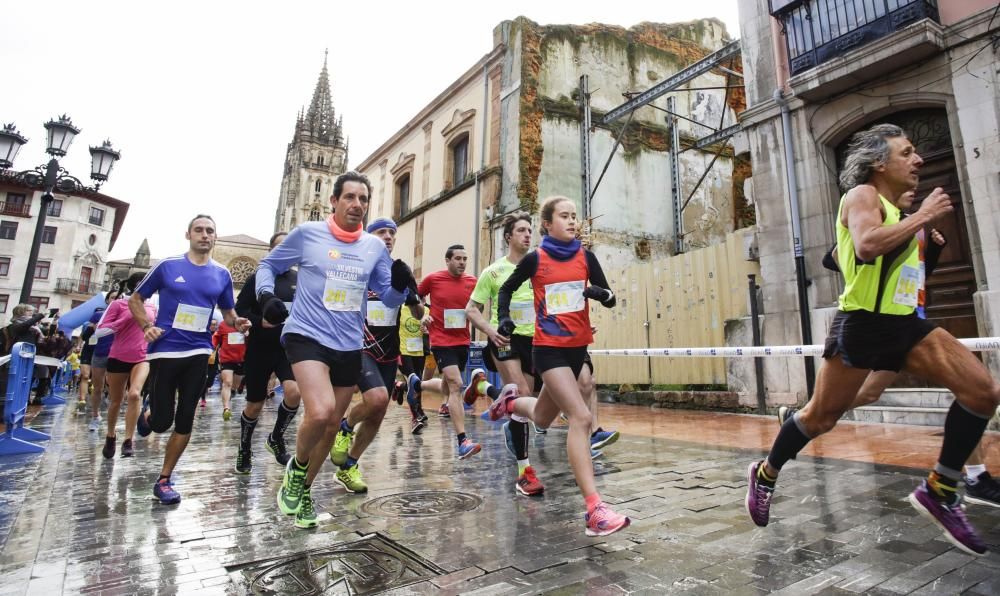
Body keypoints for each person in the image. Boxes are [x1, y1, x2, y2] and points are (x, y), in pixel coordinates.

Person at [745, 124, 1000, 556]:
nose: (918, 161)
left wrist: (927, 245)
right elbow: (864, 247)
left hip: (905, 326)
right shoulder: (861, 195)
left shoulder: (902, 216)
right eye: (907, 153)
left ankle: (941, 488)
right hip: (862, 324)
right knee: (821, 418)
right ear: (880, 163)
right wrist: (923, 218)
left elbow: (908, 282)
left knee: (982, 392)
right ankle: (766, 472)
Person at [779, 217, 1000, 508]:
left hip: (912, 328)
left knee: (968, 392)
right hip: (881, 328)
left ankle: (975, 477)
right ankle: (806, 417)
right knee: (870, 394)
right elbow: (832, 258)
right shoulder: (878, 221)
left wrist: (933, 248)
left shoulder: (917, 230)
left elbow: (920, 277)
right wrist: (875, 253)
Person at [257, 171, 415, 528]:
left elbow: (387, 295)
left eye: (363, 199)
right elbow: (269, 265)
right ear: (334, 201)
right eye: (350, 197)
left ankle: (305, 490)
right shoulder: (308, 234)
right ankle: (296, 471)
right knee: (322, 411)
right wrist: (266, 295)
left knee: (331, 428)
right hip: (307, 335)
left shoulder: (374, 248)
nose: (357, 204)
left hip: (348, 343)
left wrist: (402, 287)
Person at [492, 195, 630, 536]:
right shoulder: (537, 258)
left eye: (574, 216)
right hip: (548, 351)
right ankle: (594, 509)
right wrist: (505, 319)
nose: (572, 221)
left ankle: (509, 403)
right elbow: (508, 289)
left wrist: (600, 295)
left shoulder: (586, 256)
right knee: (581, 417)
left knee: (541, 416)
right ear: (547, 225)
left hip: (577, 348)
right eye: (564, 216)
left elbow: (610, 297)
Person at [131, 214, 250, 505]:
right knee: (161, 422)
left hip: (199, 351)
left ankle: (164, 479)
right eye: (199, 230)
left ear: (215, 237)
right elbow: (136, 299)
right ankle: (148, 418)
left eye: (210, 231)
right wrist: (147, 327)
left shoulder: (221, 274)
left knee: (185, 418)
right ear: (188, 235)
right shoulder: (168, 266)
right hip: (166, 350)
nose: (204, 235)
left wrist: (239, 323)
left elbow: (228, 313)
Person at [328, 217, 422, 493]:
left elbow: (419, 314)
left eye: (392, 233)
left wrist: (414, 300)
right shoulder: (356, 267)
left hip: (390, 351)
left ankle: (349, 466)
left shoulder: (400, 270)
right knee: (378, 397)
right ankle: (345, 427)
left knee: (378, 412)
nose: (388, 237)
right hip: (360, 346)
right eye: (381, 232)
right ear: (369, 237)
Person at [465, 211, 544, 495]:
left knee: (524, 405)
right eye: (521, 230)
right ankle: (525, 472)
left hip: (533, 340)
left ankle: (486, 390)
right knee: (522, 394)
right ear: (508, 236)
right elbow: (471, 309)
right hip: (505, 339)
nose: (527, 234)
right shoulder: (493, 271)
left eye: (529, 230)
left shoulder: (538, 266)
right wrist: (490, 330)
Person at [233, 231, 301, 473]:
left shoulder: (299, 278)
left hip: (288, 348)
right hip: (260, 348)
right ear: (271, 251)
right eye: (279, 247)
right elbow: (239, 310)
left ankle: (276, 437)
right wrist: (259, 322)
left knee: (294, 393)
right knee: (255, 404)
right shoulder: (258, 278)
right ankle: (244, 448)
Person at [415, 245, 479, 458]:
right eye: (458, 258)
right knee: (456, 385)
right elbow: (417, 297)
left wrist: (476, 313)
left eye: (465, 259)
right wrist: (423, 315)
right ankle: (462, 440)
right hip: (441, 339)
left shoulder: (472, 282)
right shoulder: (433, 279)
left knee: (447, 385)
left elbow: (478, 307)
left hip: (463, 340)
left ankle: (416, 384)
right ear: (448, 260)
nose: (462, 262)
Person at [97, 273, 156, 458]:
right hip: (118, 356)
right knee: (116, 400)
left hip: (142, 356)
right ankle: (111, 434)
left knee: (135, 394)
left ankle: (128, 440)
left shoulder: (152, 307)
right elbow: (100, 331)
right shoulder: (118, 305)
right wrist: (126, 318)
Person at [398, 296, 429, 432]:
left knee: (418, 382)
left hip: (419, 350)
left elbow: (431, 329)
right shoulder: (400, 308)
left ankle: (399, 386)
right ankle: (415, 417)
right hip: (403, 350)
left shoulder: (427, 311)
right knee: (413, 379)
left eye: (422, 298)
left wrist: (427, 331)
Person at [213, 317, 246, 421]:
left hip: (241, 360)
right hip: (226, 359)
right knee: (227, 382)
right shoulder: (223, 325)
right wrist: (211, 348)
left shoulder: (246, 324)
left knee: (234, 385)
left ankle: (233, 390)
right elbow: (216, 339)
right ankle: (226, 408)